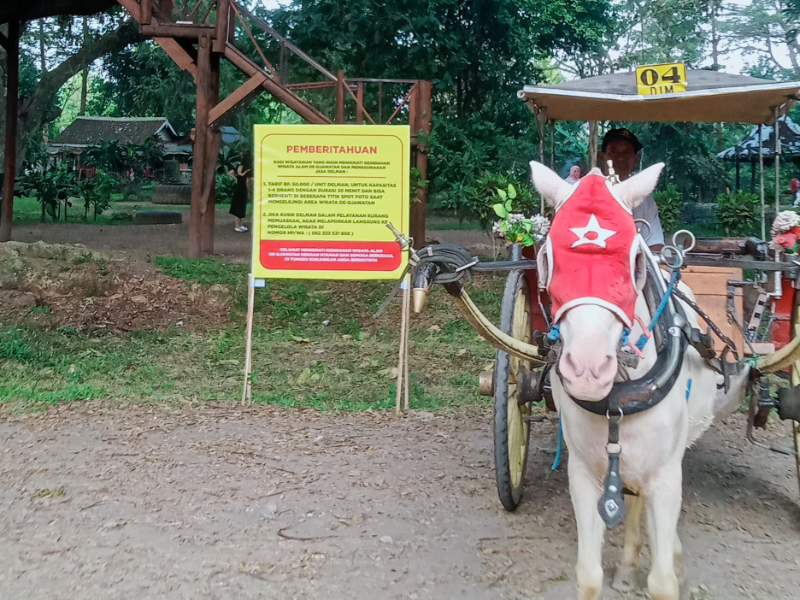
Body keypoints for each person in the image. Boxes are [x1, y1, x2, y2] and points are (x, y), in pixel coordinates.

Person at [598, 128, 665, 251]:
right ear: (602, 157)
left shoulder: (645, 199)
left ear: (635, 159)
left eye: (627, 153)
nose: (620, 158)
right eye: (613, 152)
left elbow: (655, 243)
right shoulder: (586, 193)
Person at [229, 151, 253, 233]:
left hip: (238, 188)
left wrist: (236, 179)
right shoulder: (249, 169)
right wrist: (248, 190)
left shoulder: (239, 166)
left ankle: (239, 225)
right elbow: (248, 181)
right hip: (243, 189)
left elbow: (230, 173)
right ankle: (237, 226)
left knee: (238, 207)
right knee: (241, 207)